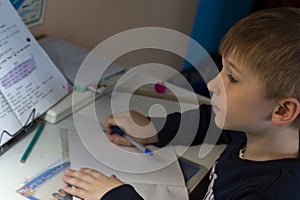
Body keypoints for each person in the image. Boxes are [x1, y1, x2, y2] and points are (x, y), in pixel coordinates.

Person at [62, 7, 300, 200]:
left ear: (282, 110)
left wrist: (116, 197)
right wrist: (156, 129)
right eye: (222, 69)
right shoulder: (260, 133)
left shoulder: (272, 192)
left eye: (233, 78)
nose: (213, 84)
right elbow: (212, 123)